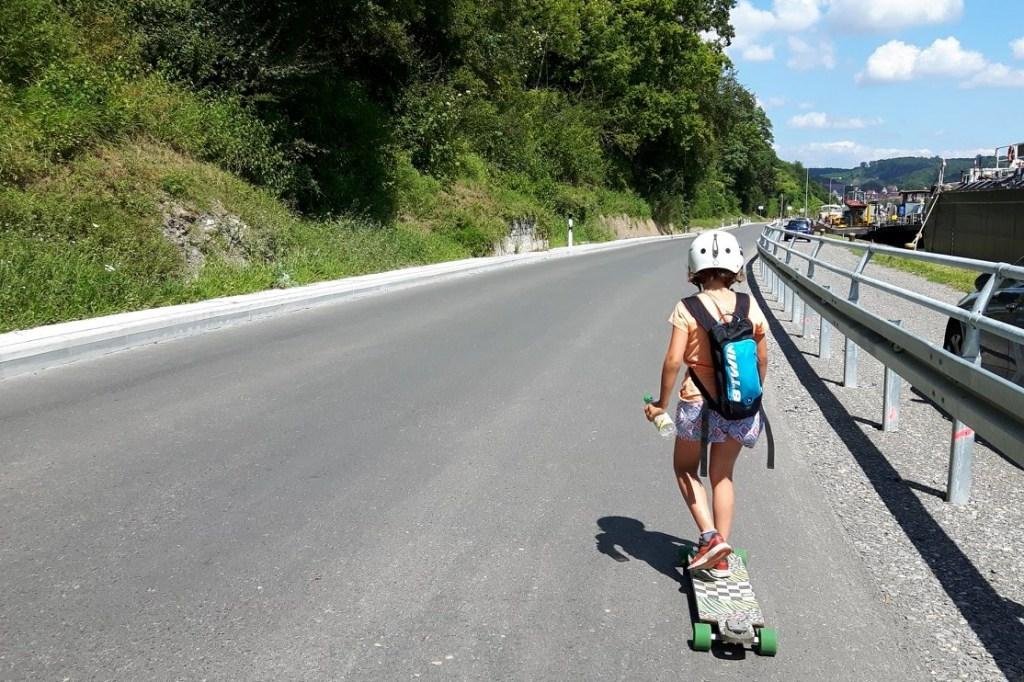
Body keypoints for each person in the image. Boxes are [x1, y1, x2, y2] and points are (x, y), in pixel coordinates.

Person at [644, 231, 769, 578]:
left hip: (697, 401)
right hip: (741, 405)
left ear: (694, 270)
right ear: (736, 268)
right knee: (722, 476)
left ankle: (712, 538)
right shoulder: (749, 305)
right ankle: (722, 555)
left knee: (685, 469)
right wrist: (753, 399)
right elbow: (762, 358)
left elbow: (673, 360)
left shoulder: (687, 308)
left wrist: (660, 403)